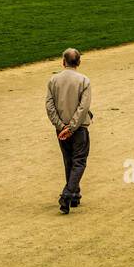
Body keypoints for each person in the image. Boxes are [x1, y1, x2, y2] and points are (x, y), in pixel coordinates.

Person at [45, 48, 92, 214]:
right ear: (78, 62)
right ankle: (67, 194)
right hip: (79, 129)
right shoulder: (84, 80)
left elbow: (49, 106)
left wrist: (61, 126)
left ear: (63, 62)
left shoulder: (53, 80)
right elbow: (83, 107)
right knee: (79, 161)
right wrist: (72, 127)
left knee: (68, 161)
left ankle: (74, 195)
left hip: (61, 128)